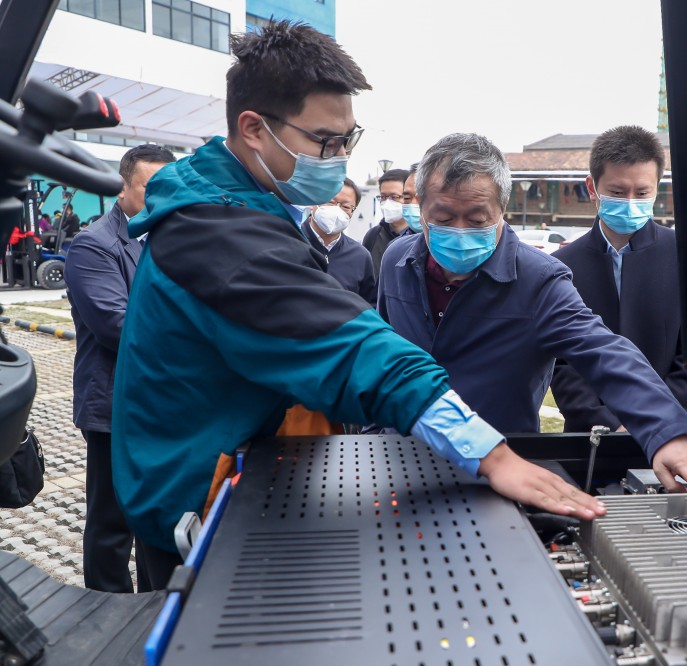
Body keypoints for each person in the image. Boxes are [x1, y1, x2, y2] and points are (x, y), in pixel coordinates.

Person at [112, 21, 601, 590]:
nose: (340, 157)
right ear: (254, 129)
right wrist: (491, 455)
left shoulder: (232, 199)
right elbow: (347, 344)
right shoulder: (219, 233)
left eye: (349, 139)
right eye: (325, 141)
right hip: (198, 501)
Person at [378, 133, 687, 499]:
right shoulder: (396, 260)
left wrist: (668, 430)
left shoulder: (539, 279)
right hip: (400, 455)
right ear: (421, 206)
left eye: (476, 220)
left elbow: (603, 351)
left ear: (502, 207)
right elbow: (382, 354)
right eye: (443, 218)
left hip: (500, 463)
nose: (459, 233)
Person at [64, 144, 176, 593]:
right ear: (125, 187)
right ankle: (104, 611)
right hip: (115, 403)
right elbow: (120, 325)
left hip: (164, 406)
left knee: (155, 517)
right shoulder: (95, 245)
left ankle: (151, 607)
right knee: (112, 522)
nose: (161, 198)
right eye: (151, 188)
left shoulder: (174, 237)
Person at [551, 125, 687, 434]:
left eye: (641, 193)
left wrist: (650, 419)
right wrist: (608, 423)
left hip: (674, 432)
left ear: (657, 188)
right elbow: (561, 364)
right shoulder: (560, 267)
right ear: (592, 188)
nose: (629, 201)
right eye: (616, 191)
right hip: (591, 438)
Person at [302, 176, 376, 305]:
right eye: (330, 202)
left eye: (346, 206)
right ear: (313, 202)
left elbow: (369, 306)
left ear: (353, 212)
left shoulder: (360, 256)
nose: (337, 209)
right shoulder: (291, 241)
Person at [362, 168, 411, 280]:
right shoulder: (373, 236)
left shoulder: (421, 236)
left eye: (394, 197)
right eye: (383, 197)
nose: (387, 202)